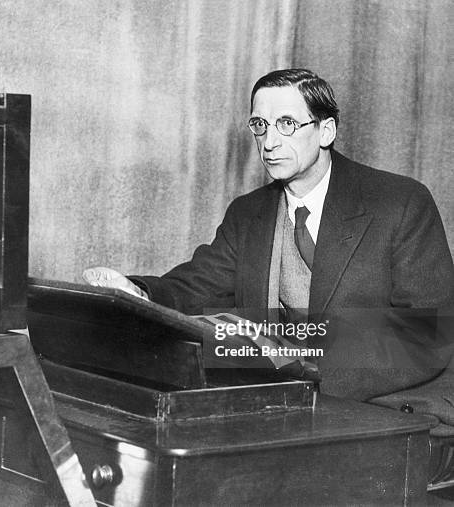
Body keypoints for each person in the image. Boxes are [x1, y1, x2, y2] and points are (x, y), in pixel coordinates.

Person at [83, 68, 454, 400]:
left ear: (326, 131)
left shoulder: (399, 202)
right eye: (260, 125)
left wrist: (305, 367)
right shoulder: (248, 213)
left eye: (287, 124)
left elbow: (427, 333)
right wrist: (138, 293)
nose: (270, 142)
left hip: (384, 405)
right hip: (283, 399)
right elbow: (197, 286)